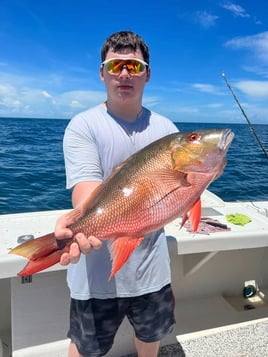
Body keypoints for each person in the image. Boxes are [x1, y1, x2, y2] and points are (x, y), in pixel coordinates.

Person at [55, 30, 178, 357]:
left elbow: (179, 195)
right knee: (84, 348)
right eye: (115, 65)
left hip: (152, 271)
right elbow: (87, 190)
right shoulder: (83, 126)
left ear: (148, 74)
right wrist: (80, 222)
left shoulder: (167, 131)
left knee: (150, 339)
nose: (124, 73)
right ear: (102, 73)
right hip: (94, 276)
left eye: (134, 67)